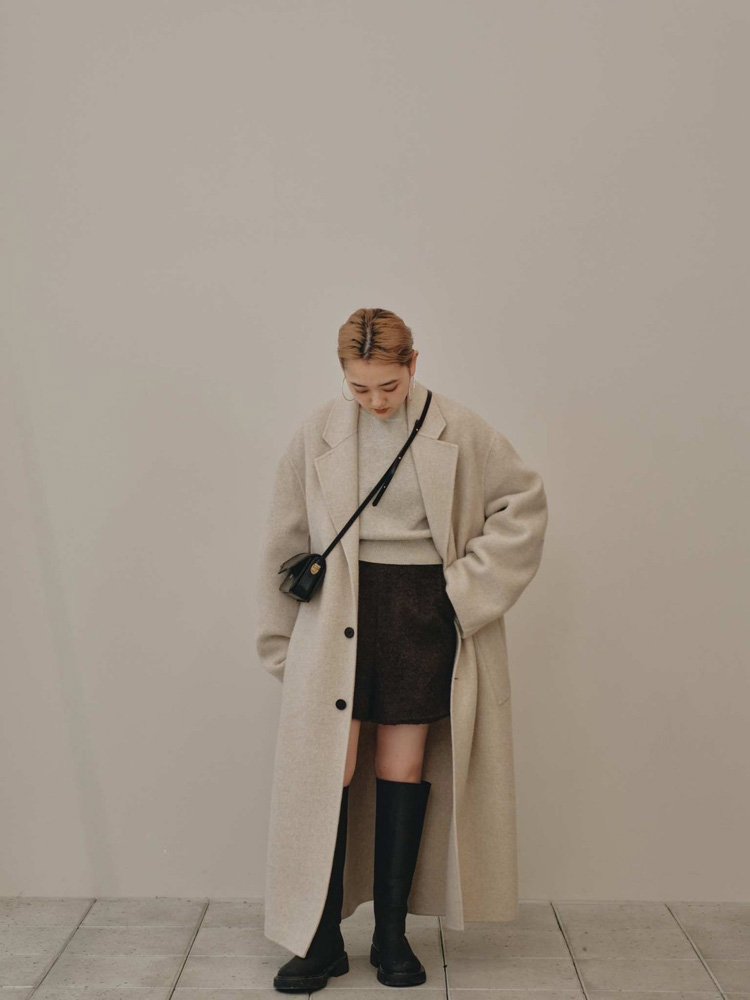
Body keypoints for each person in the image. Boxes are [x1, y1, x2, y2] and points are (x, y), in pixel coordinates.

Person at [255, 308, 548, 993]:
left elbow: (523, 504)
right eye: (360, 387)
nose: (376, 401)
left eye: (388, 385)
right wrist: (282, 645)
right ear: (343, 376)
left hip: (421, 612)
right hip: (340, 614)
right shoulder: (317, 433)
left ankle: (391, 937)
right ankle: (321, 940)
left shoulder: (460, 428)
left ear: (414, 364)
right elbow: (283, 539)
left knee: (403, 766)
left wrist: (462, 592)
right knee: (332, 767)